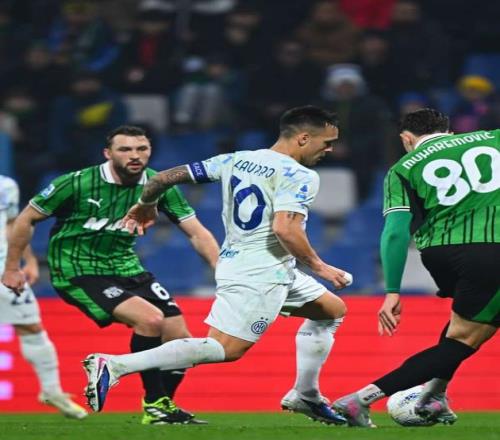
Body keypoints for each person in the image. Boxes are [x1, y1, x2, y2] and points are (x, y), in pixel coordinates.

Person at [81, 105, 352, 425]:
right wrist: (321, 267)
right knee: (225, 349)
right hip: (260, 272)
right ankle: (114, 365)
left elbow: (165, 177)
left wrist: (146, 204)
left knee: (331, 310)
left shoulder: (235, 159)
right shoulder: (299, 175)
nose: (329, 149)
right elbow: (285, 229)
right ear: (304, 138)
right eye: (326, 142)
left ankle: (305, 394)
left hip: (255, 263)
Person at [2, 126, 220, 425]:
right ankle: (154, 401)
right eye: (125, 149)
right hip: (78, 269)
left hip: (127, 267)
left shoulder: (159, 185)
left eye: (141, 149)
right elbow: (26, 218)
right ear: (108, 153)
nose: (135, 155)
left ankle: (161, 408)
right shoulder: (76, 183)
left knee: (180, 338)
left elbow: (197, 232)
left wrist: (222, 271)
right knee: (150, 320)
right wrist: (12, 267)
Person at [332, 108, 499, 427]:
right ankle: (360, 399)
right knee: (465, 339)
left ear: (406, 139)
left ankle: (434, 394)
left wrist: (392, 291)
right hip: (492, 248)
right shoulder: (493, 139)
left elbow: (395, 232)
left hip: (439, 254)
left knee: (465, 327)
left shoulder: (402, 168)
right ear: (449, 132)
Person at [0, 175, 87, 419]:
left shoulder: (6, 186)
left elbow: (14, 225)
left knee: (31, 327)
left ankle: (51, 391)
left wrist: (28, 260)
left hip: (3, 269)